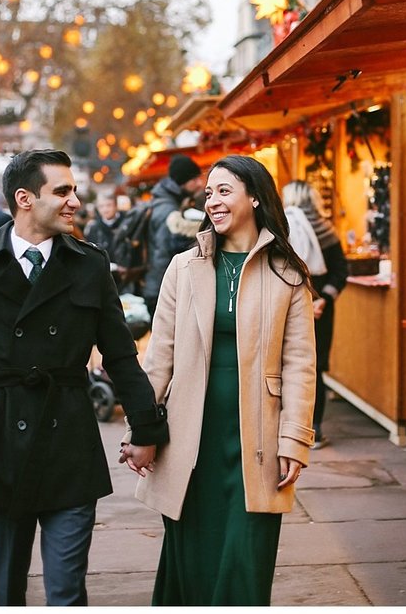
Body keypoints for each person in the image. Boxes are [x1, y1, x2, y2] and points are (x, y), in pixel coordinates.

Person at [0, 149, 169, 605]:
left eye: (74, 190)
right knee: (5, 593)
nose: (75, 201)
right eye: (62, 191)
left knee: (66, 592)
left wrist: (146, 427)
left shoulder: (89, 263)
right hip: (2, 442)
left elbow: (120, 354)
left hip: (70, 443)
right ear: (24, 198)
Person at [122, 154, 316, 605]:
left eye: (224, 191)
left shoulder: (289, 273)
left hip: (257, 438)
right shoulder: (183, 267)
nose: (213, 201)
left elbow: (300, 365)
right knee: (193, 554)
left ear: (254, 196)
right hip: (191, 437)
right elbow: (159, 360)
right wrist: (141, 431)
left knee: (246, 557)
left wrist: (295, 441)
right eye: (208, 192)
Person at [281, 180, 349, 448]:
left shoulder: (280, 227)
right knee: (314, 366)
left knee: (285, 364)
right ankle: (314, 428)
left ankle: (290, 426)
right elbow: (341, 270)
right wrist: (323, 300)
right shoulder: (327, 230)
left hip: (289, 301)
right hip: (320, 305)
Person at [142, 154, 205, 317]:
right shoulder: (167, 210)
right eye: (194, 179)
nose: (200, 183)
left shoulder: (172, 201)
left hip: (158, 287)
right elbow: (162, 253)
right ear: (182, 182)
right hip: (162, 291)